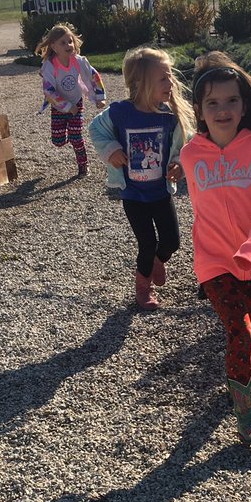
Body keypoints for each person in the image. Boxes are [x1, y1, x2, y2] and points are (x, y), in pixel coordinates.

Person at [180, 57, 251, 443]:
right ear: (199, 109)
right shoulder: (192, 156)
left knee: (246, 332)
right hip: (213, 263)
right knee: (241, 333)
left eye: (231, 101)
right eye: (213, 103)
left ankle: (236, 380)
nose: (223, 110)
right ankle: (247, 412)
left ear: (244, 106)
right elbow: (204, 210)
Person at [88, 47, 193, 310]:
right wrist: (111, 149)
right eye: (163, 78)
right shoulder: (122, 112)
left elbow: (183, 146)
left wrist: (178, 164)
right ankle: (142, 289)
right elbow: (95, 129)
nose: (170, 83)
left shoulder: (169, 116)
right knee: (146, 242)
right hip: (133, 193)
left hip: (160, 191)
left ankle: (158, 259)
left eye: (170, 77)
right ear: (140, 83)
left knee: (171, 241)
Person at [37, 23, 106, 177]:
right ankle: (68, 135)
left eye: (70, 41)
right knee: (58, 141)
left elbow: (94, 76)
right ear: (54, 47)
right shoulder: (50, 66)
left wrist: (99, 98)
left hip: (76, 103)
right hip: (58, 107)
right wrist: (66, 106)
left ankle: (83, 166)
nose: (68, 45)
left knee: (76, 138)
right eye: (63, 42)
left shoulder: (79, 61)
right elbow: (48, 91)